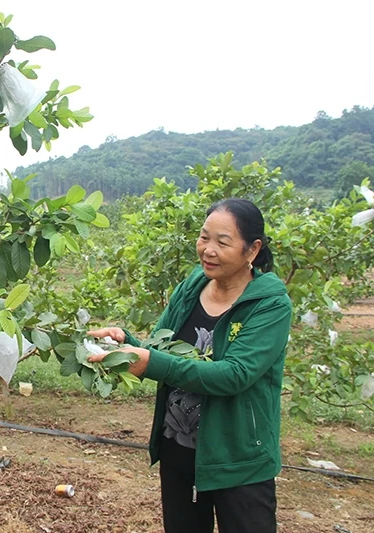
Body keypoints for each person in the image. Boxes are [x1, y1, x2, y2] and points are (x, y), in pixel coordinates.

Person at [88, 198, 292, 533]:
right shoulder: (191, 287)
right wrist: (126, 343)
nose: (208, 250)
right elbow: (158, 349)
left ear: (252, 250)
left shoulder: (269, 305)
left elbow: (234, 375)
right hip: (180, 452)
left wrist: (150, 361)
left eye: (222, 242)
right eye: (204, 237)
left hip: (237, 459)